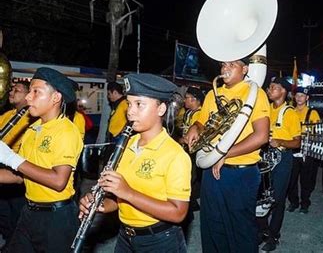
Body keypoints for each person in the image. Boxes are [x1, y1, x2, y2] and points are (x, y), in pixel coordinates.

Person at [79, 73, 191, 252]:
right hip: (126, 237)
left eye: (139, 104)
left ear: (161, 109)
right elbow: (118, 200)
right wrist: (100, 204)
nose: (130, 111)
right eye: (129, 104)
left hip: (159, 241)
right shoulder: (126, 145)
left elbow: (178, 213)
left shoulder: (175, 155)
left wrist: (127, 192)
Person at [185, 59, 270, 253]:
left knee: (240, 231)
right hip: (211, 171)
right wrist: (194, 127)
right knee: (212, 227)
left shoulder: (256, 93)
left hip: (240, 174)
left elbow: (261, 136)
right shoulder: (212, 94)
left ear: (245, 69)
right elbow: (202, 122)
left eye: (232, 65)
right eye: (223, 65)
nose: (225, 68)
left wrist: (225, 153)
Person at [0, 67, 83, 252]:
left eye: (36, 92)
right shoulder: (33, 129)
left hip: (56, 217)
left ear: (56, 98)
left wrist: (10, 158)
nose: (28, 97)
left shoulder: (66, 131)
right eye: (29, 92)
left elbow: (58, 181)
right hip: (29, 211)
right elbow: (21, 175)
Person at [258, 77, 301, 251]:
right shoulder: (266, 109)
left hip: (282, 159)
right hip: (264, 158)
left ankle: (273, 236)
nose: (269, 90)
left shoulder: (289, 112)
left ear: (283, 91)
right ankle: (262, 230)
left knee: (278, 198)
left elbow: (297, 142)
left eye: (273, 87)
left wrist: (280, 141)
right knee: (261, 197)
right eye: (269, 87)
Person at [0, 81, 35, 246]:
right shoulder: (8, 115)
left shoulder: (32, 119)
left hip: (18, 167)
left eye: (17, 90)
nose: (12, 92)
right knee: (3, 212)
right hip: (3, 166)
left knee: (17, 213)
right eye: (12, 89)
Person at [287, 87, 323, 214]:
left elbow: (319, 132)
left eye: (302, 95)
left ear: (307, 98)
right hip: (292, 148)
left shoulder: (312, 113)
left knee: (305, 179)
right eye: (297, 95)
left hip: (307, 150)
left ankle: (305, 203)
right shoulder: (290, 111)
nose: (299, 98)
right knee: (291, 179)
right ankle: (294, 202)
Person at [178, 86, 204, 237]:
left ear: (194, 99)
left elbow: (192, 137)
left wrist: (180, 140)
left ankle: (188, 208)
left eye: (187, 97)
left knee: (189, 179)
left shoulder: (199, 115)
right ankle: (192, 204)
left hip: (194, 152)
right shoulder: (189, 113)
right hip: (187, 151)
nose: (184, 100)